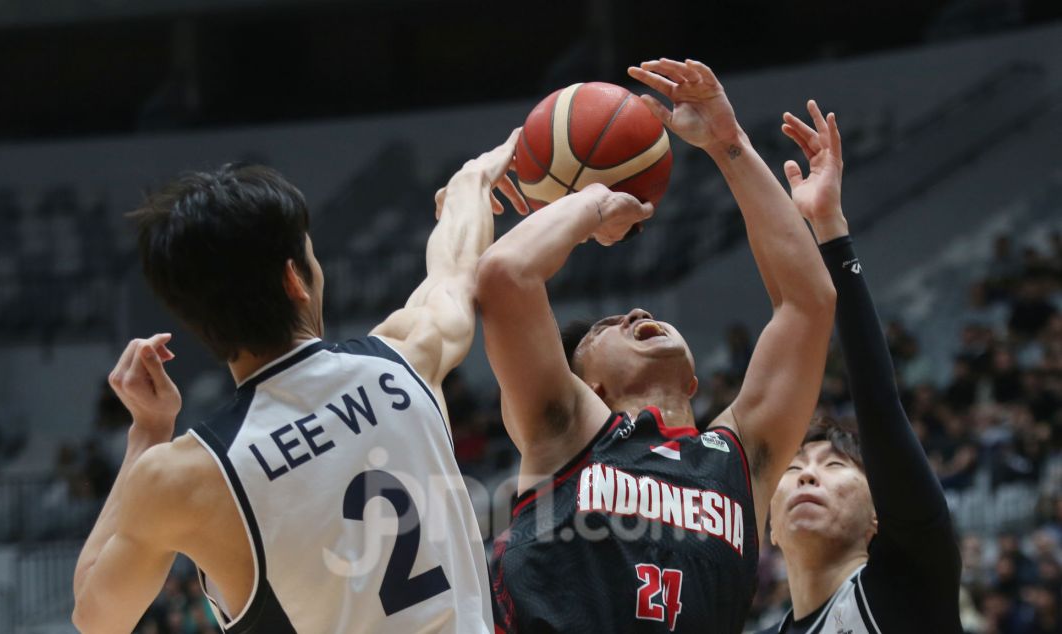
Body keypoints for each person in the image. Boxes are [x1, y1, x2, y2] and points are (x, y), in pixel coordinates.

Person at [72, 130, 528, 633]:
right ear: (295, 278)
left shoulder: (184, 476)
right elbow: (455, 269)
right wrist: (473, 182)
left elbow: (96, 619)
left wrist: (148, 431)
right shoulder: (405, 358)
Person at [479, 58, 835, 633]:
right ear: (585, 384)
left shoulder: (739, 460)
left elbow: (809, 303)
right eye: (606, 327)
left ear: (694, 383)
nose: (638, 313)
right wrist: (594, 205)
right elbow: (505, 276)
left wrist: (728, 143)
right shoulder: (567, 430)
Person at [763, 101, 962, 633]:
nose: (807, 473)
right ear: (770, 531)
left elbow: (877, 405)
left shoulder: (908, 581)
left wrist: (829, 227)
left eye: (834, 466)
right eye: (795, 468)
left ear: (879, 518)